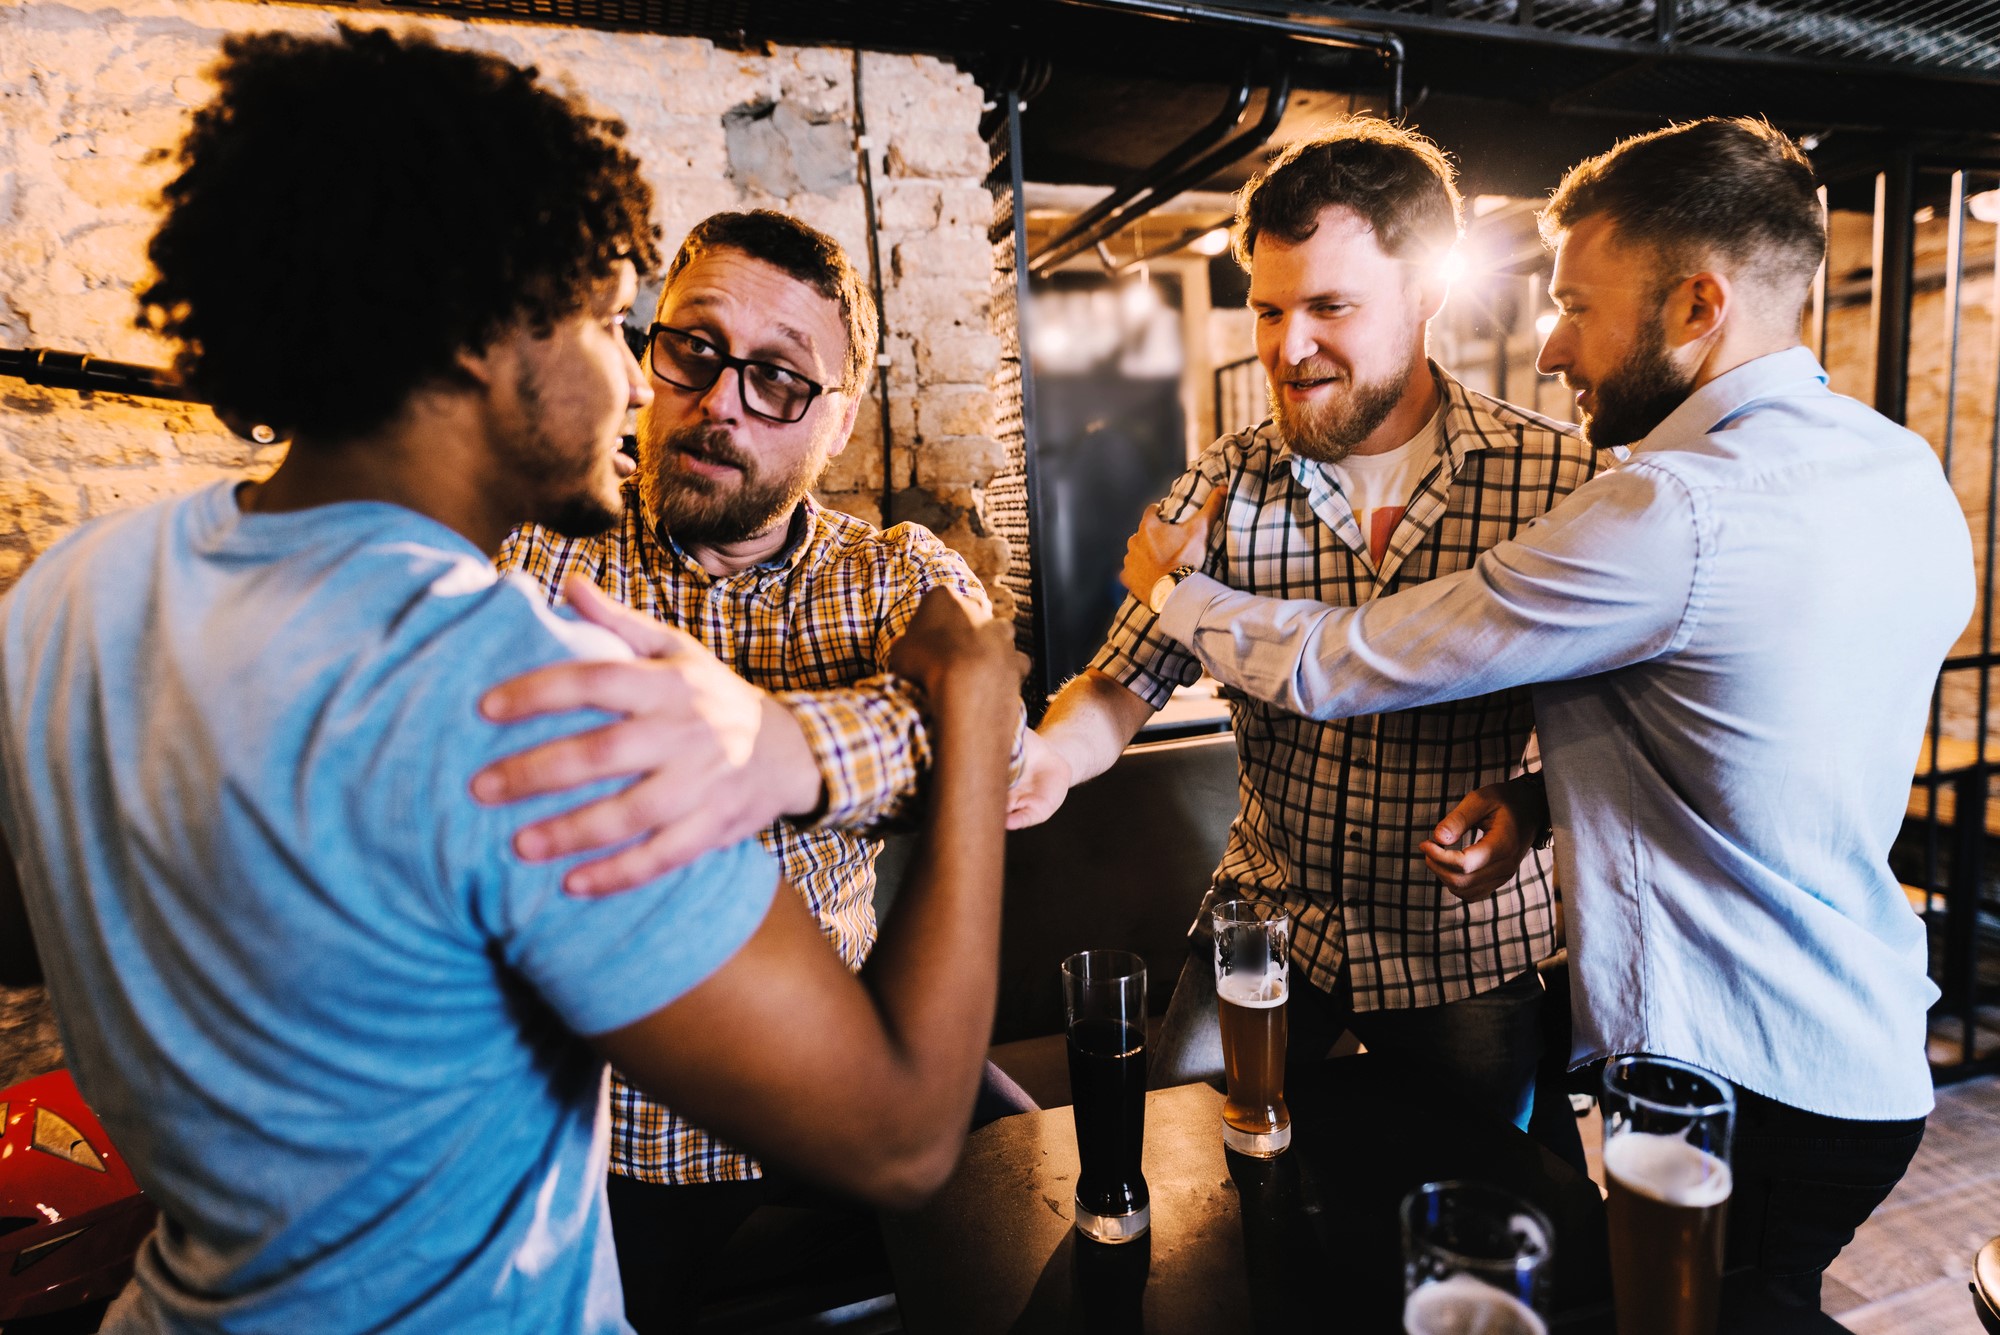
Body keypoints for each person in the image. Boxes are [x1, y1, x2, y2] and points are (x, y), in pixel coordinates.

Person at [0, 27, 1023, 1333]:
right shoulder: (529, 692)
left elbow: (23, 925)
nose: (633, 377)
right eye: (615, 321)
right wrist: (978, 689)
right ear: (492, 333)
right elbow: (897, 1135)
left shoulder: (75, 588)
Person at [1127, 115, 1968, 1305]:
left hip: (1735, 1068)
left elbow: (1351, 661)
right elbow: (1748, 736)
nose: (1548, 343)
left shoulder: (1665, 511)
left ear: (1694, 307)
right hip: (1864, 1049)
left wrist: (1167, 588)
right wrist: (1534, 797)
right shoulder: (1900, 473)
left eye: (1575, 305)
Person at [484, 208, 1029, 1327]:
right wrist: (898, 725)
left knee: (1061, 1224)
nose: (719, 400)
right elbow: (954, 730)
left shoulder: (891, 573)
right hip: (620, 1118)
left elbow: (999, 744)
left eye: (779, 379)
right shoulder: (541, 553)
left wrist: (779, 750)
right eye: (693, 348)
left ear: (838, 422)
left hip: (849, 1053)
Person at [1011, 120, 1612, 1130]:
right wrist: (1050, 761)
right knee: (1185, 1168)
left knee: (1495, 1201)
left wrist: (1530, 803)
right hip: (1263, 928)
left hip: (1465, 945)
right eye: (1266, 310)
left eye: (1329, 307)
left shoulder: (1560, 480)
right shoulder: (1220, 484)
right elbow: (1121, 682)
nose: (1287, 349)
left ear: (1425, 294)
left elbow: (1619, 723)